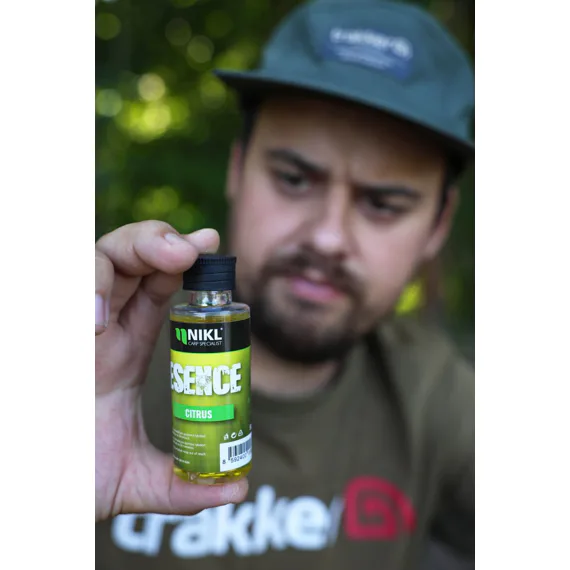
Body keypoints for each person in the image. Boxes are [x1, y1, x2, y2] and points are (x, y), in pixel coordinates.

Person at [95, 0, 475, 569]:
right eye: (294, 179)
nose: (327, 237)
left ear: (437, 227)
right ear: (237, 168)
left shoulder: (436, 397)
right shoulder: (100, 358)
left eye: (383, 204)